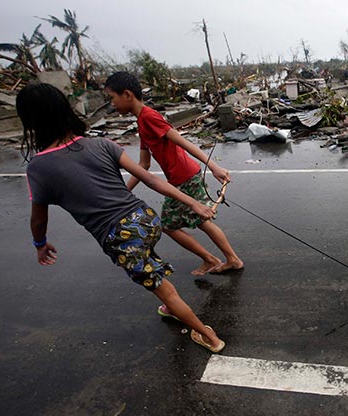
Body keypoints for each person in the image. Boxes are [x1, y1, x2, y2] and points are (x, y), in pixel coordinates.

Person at [17, 82, 225, 353]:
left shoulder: (39, 167)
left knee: (164, 289)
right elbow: (149, 178)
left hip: (121, 238)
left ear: (31, 122)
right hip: (146, 219)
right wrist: (194, 204)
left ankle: (208, 336)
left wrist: (39, 244)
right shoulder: (102, 144)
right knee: (147, 258)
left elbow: (38, 220)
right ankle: (175, 301)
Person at [104, 72, 243, 279]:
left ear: (127, 94)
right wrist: (124, 191)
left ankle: (216, 259)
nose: (112, 104)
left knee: (170, 225)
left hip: (185, 177)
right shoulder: (142, 122)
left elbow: (181, 141)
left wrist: (214, 166)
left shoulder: (149, 117)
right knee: (200, 221)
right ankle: (227, 259)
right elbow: (143, 164)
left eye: (112, 97)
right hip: (181, 178)